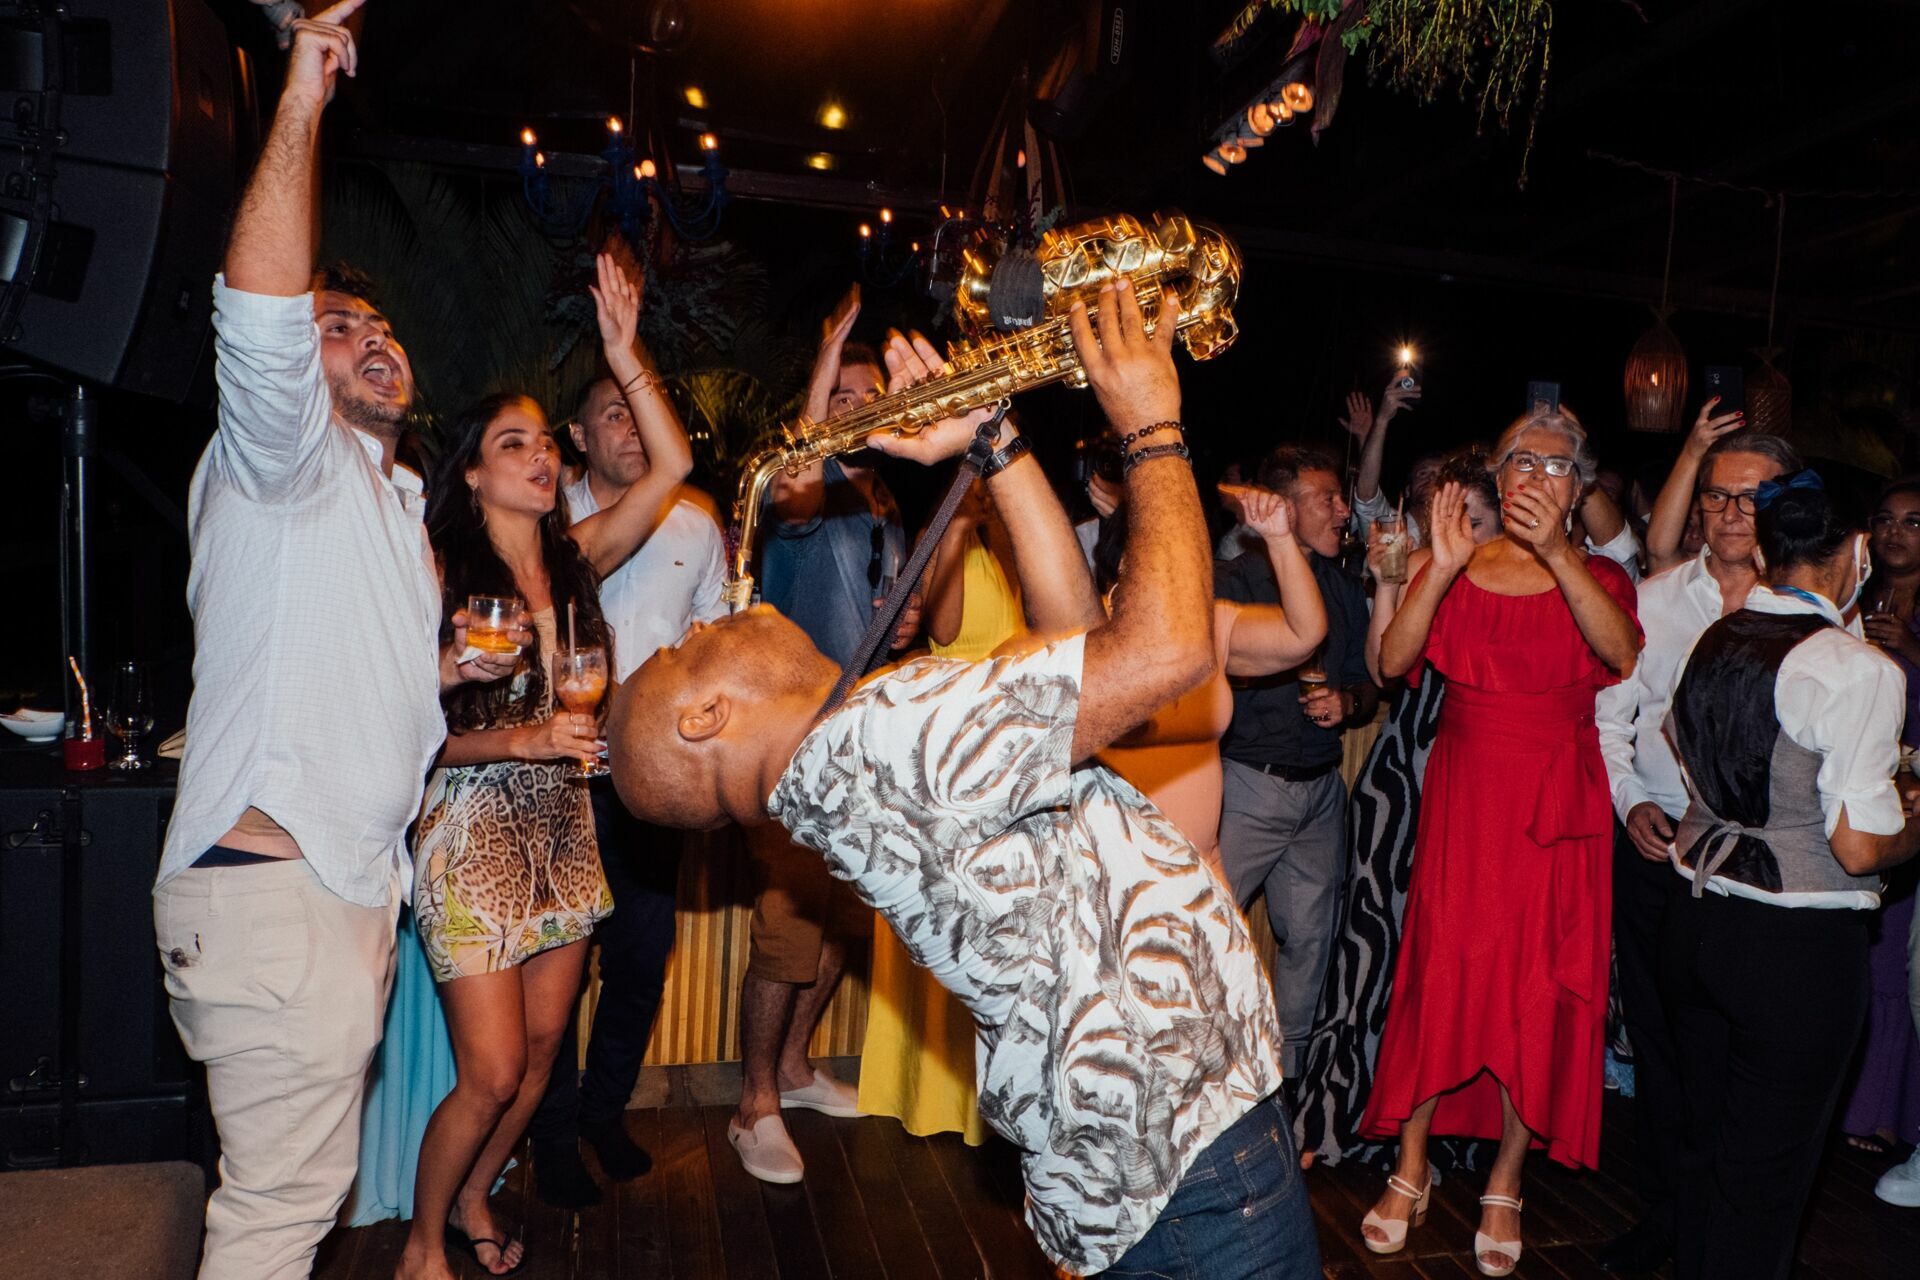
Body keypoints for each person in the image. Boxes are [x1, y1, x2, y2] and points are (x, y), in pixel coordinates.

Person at [609, 286, 1318, 1279]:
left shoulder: (861, 751)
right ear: (705, 718)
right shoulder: (883, 745)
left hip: (1144, 1160)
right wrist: (1151, 421)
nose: (707, 620)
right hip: (1189, 1153)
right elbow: (1162, 653)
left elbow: (1079, 647)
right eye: (687, 648)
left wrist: (997, 441)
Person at [150, 7, 522, 1276]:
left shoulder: (386, 497)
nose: (372, 336)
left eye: (383, 328)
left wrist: (441, 673)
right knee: (275, 1218)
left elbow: (338, 668)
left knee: (287, 1207)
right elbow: (256, 307)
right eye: (338, 326)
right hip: (279, 891)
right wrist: (302, 93)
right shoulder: (282, 451)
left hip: (334, 900)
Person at [398, 254, 693, 1280]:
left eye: (538, 440)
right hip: (469, 830)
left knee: (533, 1061)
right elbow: (401, 729)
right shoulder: (432, 572)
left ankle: (478, 1189)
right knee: (487, 1071)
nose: (532, 455)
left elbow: (668, 467)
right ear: (472, 471)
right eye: (509, 442)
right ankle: (423, 1240)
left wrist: (625, 353)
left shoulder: (574, 559)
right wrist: (520, 739)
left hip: (563, 830)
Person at [1359, 407, 1642, 1278]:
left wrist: (1561, 558)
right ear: (1499, 471)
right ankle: (1410, 1165)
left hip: (1559, 798)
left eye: (1556, 465)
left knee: (1537, 980)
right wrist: (1437, 569)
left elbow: (1622, 656)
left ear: (1579, 487)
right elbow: (1391, 666)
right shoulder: (1460, 567)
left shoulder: (1599, 575)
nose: (1533, 473)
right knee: (1442, 966)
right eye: (1519, 457)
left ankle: (1506, 1180)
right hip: (1469, 791)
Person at [1659, 473, 1919, 1280]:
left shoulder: (1718, 634)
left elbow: (1684, 745)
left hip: (1696, 919)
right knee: (1766, 1184)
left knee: (1709, 1153)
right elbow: (1860, 848)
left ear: (1768, 551)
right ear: (1858, 551)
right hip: (1794, 943)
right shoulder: (1858, 667)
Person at [526, 325, 729, 1208]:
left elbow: (712, 640)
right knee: (557, 968)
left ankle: (604, 1113)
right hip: (558, 777)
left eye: (638, 412)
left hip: (652, 783)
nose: (630, 429)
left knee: (641, 959)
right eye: (612, 414)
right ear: (576, 437)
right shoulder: (542, 521)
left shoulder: (698, 523)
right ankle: (553, 1134)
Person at [1593, 427, 1800, 1273]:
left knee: (1738, 1053)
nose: (1729, 513)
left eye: (1752, 496)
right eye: (1717, 494)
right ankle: (1669, 1217)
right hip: (1655, 850)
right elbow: (1612, 715)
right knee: (1661, 1042)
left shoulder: (1810, 609)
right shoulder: (1654, 597)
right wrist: (1633, 800)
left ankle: (1726, 1230)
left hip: (1758, 866)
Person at [1294, 449, 1503, 1168]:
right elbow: (1386, 670)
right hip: (1406, 776)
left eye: (1476, 520)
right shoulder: (1416, 571)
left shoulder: (1515, 586)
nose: (1464, 534)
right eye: (1450, 519)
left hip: (1477, 785)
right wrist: (1390, 579)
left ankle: (1442, 1129)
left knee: (1448, 961)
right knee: (1373, 944)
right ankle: (1345, 1112)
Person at [728, 287, 893, 1183]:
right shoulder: (805, 497)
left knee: (843, 935)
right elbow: (793, 471)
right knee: (788, 935)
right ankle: (751, 1105)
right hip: (791, 752)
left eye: (870, 397)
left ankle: (792, 1070)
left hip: (866, 754)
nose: (859, 410)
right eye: (844, 397)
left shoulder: (886, 502)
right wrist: (823, 361)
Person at [855, 480, 1024, 1146]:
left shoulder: (1009, 545)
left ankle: (994, 1100)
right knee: (953, 927)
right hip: (948, 752)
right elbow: (948, 631)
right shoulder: (945, 541)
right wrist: (956, 523)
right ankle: (935, 1099)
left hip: (1003, 750)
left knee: (995, 931)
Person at [1216, 445, 1380, 1078]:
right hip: (1248, 790)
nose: (1345, 511)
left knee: (1309, 946)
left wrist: (1349, 702)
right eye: (1329, 500)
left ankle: (1285, 1092)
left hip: (1320, 795)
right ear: (1281, 510)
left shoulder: (1342, 586)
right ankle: (1210, 1081)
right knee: (1211, 936)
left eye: (1343, 499)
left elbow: (1369, 684)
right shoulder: (1235, 581)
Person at [1096, 485, 1328, 876]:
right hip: (1119, 869)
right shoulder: (1089, 632)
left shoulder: (1209, 625)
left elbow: (1303, 634)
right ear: (1123, 559)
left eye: (1189, 549)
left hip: (1202, 869)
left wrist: (1279, 538)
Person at [1847, 478, 1920, 1203]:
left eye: (1913, 522)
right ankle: (1861, 1105)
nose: (1897, 534)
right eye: (1886, 522)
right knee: (1870, 944)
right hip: (1861, 786)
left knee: (1902, 958)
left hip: (1915, 797)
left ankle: (1893, 1117)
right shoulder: (1852, 599)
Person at [1642, 395, 1747, 573]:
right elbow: (1659, 551)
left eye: (1749, 498)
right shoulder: (1684, 578)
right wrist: (1692, 452)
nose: (1730, 515)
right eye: (1716, 497)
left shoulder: (1784, 587)